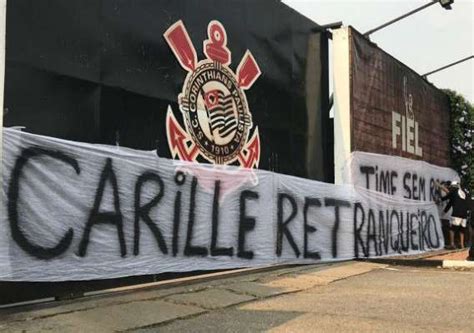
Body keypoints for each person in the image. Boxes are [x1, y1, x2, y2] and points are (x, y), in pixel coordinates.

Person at [440, 181, 468, 249]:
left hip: (457, 213)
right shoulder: (463, 192)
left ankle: (452, 244)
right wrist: (444, 212)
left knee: (452, 229)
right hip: (464, 214)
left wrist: (439, 199)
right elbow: (450, 203)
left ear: (453, 186)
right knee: (462, 230)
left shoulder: (454, 191)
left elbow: (446, 197)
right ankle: (462, 245)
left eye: (451, 187)